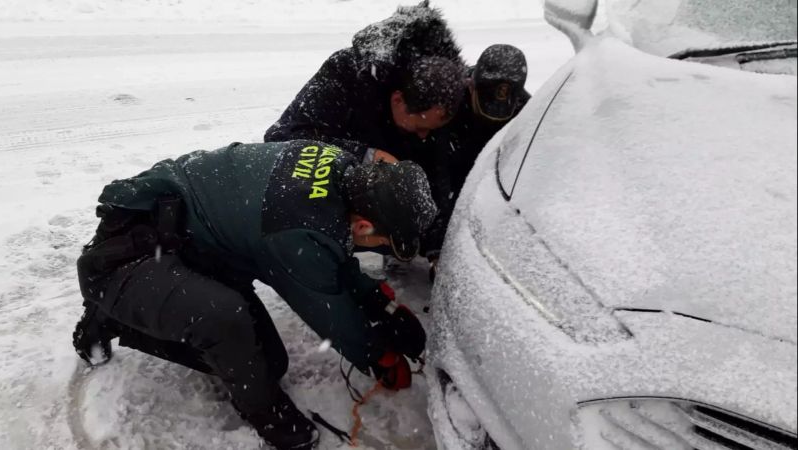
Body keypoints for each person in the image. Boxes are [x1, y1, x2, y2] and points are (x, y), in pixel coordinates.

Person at [71, 140, 435, 449]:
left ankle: (143, 308)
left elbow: (333, 261)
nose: (377, 249)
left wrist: (381, 305)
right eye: (382, 243)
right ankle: (113, 315)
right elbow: (328, 308)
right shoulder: (296, 233)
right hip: (129, 255)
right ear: (364, 224)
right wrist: (377, 355)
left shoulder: (339, 167)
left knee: (268, 363)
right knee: (225, 321)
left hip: (188, 245)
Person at [264, 1, 467, 165]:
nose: (424, 136)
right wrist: (364, 156)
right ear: (398, 100)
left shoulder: (449, 92)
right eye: (419, 127)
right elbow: (281, 139)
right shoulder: (347, 71)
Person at [421, 44, 531, 275]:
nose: (492, 117)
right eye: (486, 106)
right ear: (471, 86)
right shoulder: (448, 104)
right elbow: (436, 175)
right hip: (452, 172)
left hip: (492, 183)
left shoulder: (527, 110)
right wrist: (437, 248)